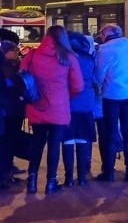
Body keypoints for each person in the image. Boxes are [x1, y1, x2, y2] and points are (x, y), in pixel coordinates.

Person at [22, 25, 84, 194]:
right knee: (54, 145)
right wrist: (65, 96)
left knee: (36, 143)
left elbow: (22, 76)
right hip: (59, 109)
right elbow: (79, 86)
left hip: (37, 107)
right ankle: (51, 182)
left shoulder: (33, 54)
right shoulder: (68, 57)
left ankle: (32, 180)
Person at [94, 24, 128, 183]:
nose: (101, 39)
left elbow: (99, 77)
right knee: (127, 131)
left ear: (106, 36)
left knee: (111, 132)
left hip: (112, 96)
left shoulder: (104, 50)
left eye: (101, 36)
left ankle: (109, 172)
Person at [62, 33, 100, 187]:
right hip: (86, 104)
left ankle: (69, 178)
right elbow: (95, 80)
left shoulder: (64, 58)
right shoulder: (89, 59)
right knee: (83, 139)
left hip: (68, 105)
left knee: (68, 140)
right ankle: (82, 177)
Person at [0, 40, 27, 190]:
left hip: (13, 110)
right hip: (8, 110)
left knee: (9, 142)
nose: (17, 53)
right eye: (14, 51)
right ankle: (4, 175)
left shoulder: (14, 65)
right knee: (6, 143)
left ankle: (7, 171)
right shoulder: (5, 68)